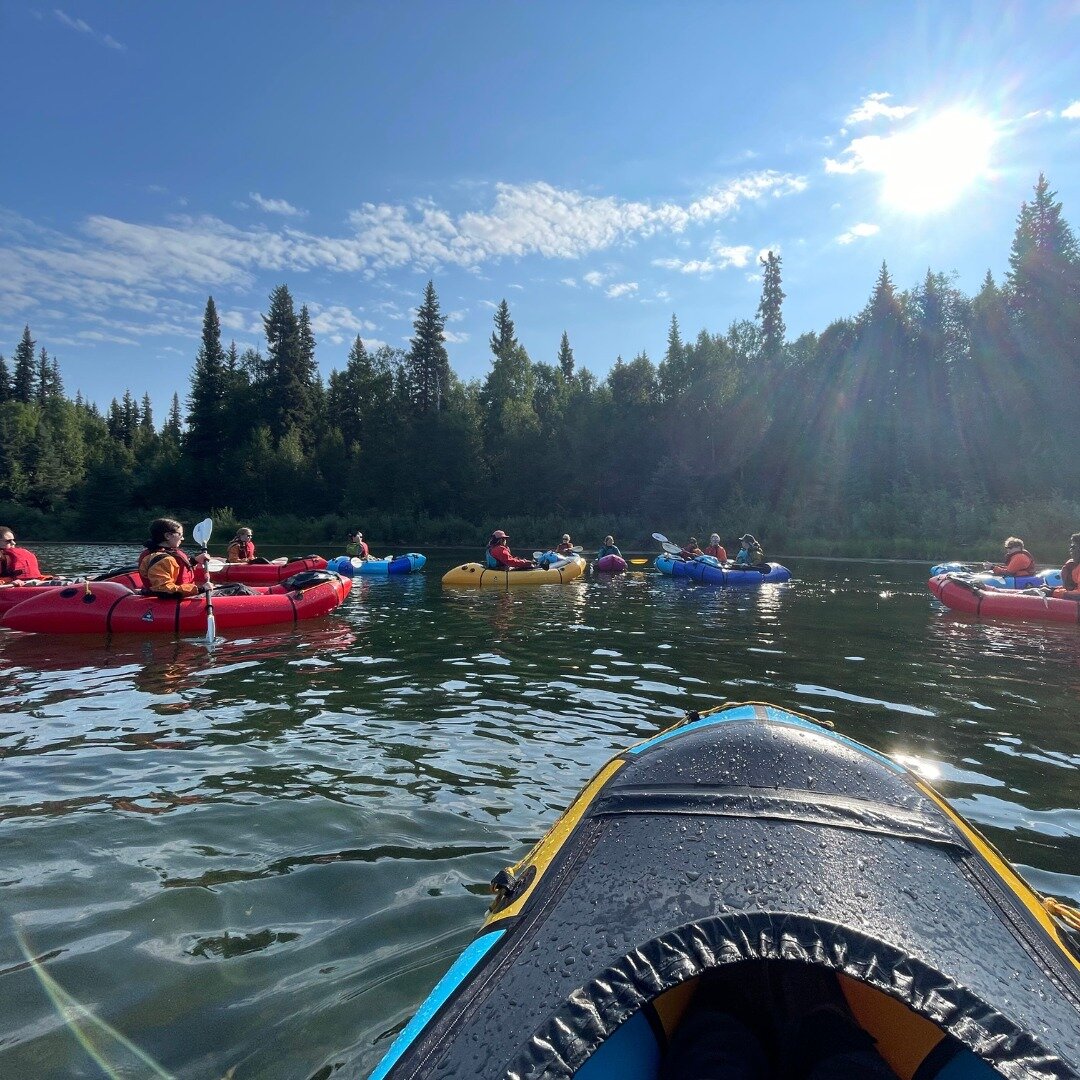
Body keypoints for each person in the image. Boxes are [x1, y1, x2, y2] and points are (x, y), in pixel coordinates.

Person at [138, 518, 211, 597]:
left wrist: (194, 561)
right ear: (168, 536)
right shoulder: (162, 560)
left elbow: (175, 568)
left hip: (182, 595)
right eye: (180, 535)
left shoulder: (164, 554)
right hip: (171, 600)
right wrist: (200, 589)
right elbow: (164, 589)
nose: (182, 538)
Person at [1053, 532, 1080, 600]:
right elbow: (1072, 589)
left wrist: (1052, 592)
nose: (1070, 550)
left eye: (1073, 547)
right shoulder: (1073, 566)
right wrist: (1051, 589)